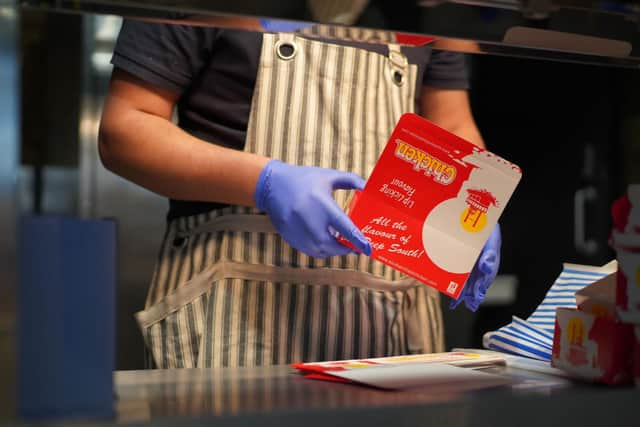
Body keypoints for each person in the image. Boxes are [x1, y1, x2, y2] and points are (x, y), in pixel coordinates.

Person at [98, 12, 501, 369]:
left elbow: (451, 127)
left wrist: (472, 207)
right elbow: (126, 130)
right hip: (230, 316)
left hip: (389, 325)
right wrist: (266, 183)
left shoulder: (424, 10)